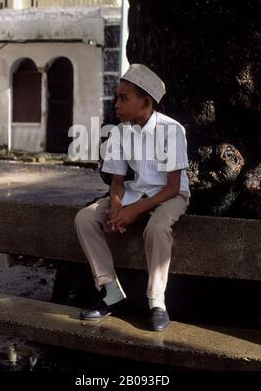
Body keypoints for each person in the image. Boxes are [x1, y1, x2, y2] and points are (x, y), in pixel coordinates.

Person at [74, 64, 190, 331]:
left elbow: (173, 187)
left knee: (158, 228)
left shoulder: (172, 131)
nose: (116, 104)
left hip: (170, 196)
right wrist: (116, 205)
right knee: (85, 218)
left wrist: (135, 210)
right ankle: (109, 292)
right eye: (117, 97)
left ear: (146, 102)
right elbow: (117, 182)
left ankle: (156, 302)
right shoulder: (119, 132)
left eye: (124, 98)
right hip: (134, 193)